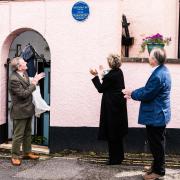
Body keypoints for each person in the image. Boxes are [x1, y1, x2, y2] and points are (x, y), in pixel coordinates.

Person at [122, 48, 171, 180]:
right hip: (159, 114)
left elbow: (147, 94)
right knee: (157, 143)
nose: (148, 58)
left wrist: (132, 94)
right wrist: (132, 92)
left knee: (156, 144)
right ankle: (156, 166)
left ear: (154, 59)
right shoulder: (163, 70)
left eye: (150, 56)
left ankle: (159, 171)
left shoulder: (158, 75)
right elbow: (147, 89)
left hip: (156, 115)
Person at [89, 54, 128, 165]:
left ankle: (114, 159)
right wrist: (102, 72)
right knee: (118, 132)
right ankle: (119, 157)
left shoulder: (111, 75)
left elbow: (101, 89)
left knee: (111, 131)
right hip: (118, 104)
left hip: (111, 105)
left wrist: (95, 75)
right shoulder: (119, 72)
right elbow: (108, 76)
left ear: (111, 63)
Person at [9, 57, 45, 166]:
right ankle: (14, 156)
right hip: (19, 111)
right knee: (18, 135)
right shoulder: (14, 79)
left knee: (28, 133)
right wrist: (34, 83)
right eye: (23, 62)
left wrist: (34, 81)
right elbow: (23, 94)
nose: (26, 62)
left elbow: (28, 89)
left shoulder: (23, 74)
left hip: (28, 109)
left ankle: (27, 152)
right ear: (19, 67)